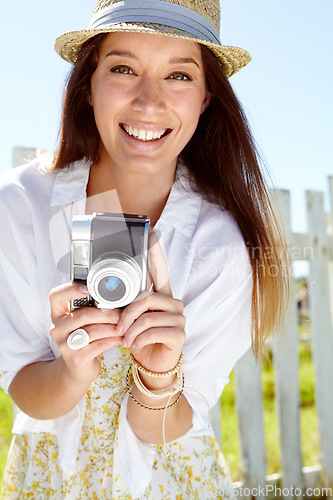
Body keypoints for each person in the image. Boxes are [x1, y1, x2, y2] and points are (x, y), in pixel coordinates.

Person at [0, 0, 289, 498]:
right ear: (87, 84)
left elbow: (164, 429)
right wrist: (70, 370)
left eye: (179, 76)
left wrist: (158, 375)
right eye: (123, 68)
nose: (149, 102)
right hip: (49, 479)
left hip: (170, 480)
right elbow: (26, 390)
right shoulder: (20, 206)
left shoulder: (222, 243)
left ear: (205, 98)